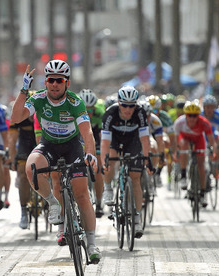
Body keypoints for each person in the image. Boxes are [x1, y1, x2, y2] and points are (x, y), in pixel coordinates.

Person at [11, 59, 101, 263]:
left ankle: (92, 243)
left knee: (82, 194)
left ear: (67, 82)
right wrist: (24, 89)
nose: (54, 84)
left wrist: (91, 153)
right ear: (45, 81)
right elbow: (16, 117)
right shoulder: (38, 99)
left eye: (59, 80)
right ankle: (52, 202)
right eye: (50, 80)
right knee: (31, 167)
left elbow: (87, 133)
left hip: (72, 147)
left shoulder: (75, 102)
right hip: (49, 145)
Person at [100, 85, 153, 238]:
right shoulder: (110, 113)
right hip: (115, 141)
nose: (128, 109)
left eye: (131, 106)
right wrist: (104, 162)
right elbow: (104, 143)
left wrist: (147, 158)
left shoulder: (140, 113)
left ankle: (137, 218)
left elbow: (144, 139)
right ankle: (108, 188)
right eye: (124, 105)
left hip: (133, 141)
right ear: (119, 103)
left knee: (135, 178)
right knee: (109, 159)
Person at [173, 101, 217, 207]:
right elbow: (175, 141)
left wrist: (213, 152)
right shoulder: (179, 123)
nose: (192, 118)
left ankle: (203, 192)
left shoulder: (204, 123)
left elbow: (212, 141)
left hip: (198, 140)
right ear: (185, 115)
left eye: (195, 116)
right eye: (189, 115)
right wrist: (175, 152)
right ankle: (183, 175)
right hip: (185, 138)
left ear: (198, 115)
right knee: (183, 146)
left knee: (201, 164)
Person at [8, 94, 37, 229]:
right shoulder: (18, 115)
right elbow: (12, 140)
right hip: (25, 142)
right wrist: (13, 159)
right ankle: (24, 210)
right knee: (22, 173)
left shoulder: (43, 110)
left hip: (41, 138)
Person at [78, 89, 105, 217]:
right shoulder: (75, 112)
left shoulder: (100, 113)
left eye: (90, 110)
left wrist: (99, 153)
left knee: (98, 169)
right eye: (85, 110)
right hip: (80, 135)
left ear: (94, 107)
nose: (88, 113)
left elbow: (102, 136)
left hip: (95, 135)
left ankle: (99, 202)